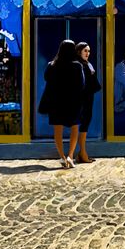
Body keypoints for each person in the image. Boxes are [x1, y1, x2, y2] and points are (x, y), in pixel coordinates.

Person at [41, 40, 85, 169]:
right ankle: (70, 156)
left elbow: (46, 79)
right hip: (73, 101)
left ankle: (62, 157)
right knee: (74, 127)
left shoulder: (52, 65)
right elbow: (82, 85)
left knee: (58, 129)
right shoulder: (77, 66)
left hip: (56, 101)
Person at [75, 42, 102, 164]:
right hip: (82, 98)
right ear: (79, 51)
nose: (87, 53)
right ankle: (82, 153)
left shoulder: (86, 64)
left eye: (89, 51)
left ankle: (82, 153)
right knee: (83, 123)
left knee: (85, 123)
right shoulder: (79, 65)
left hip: (87, 97)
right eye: (85, 51)